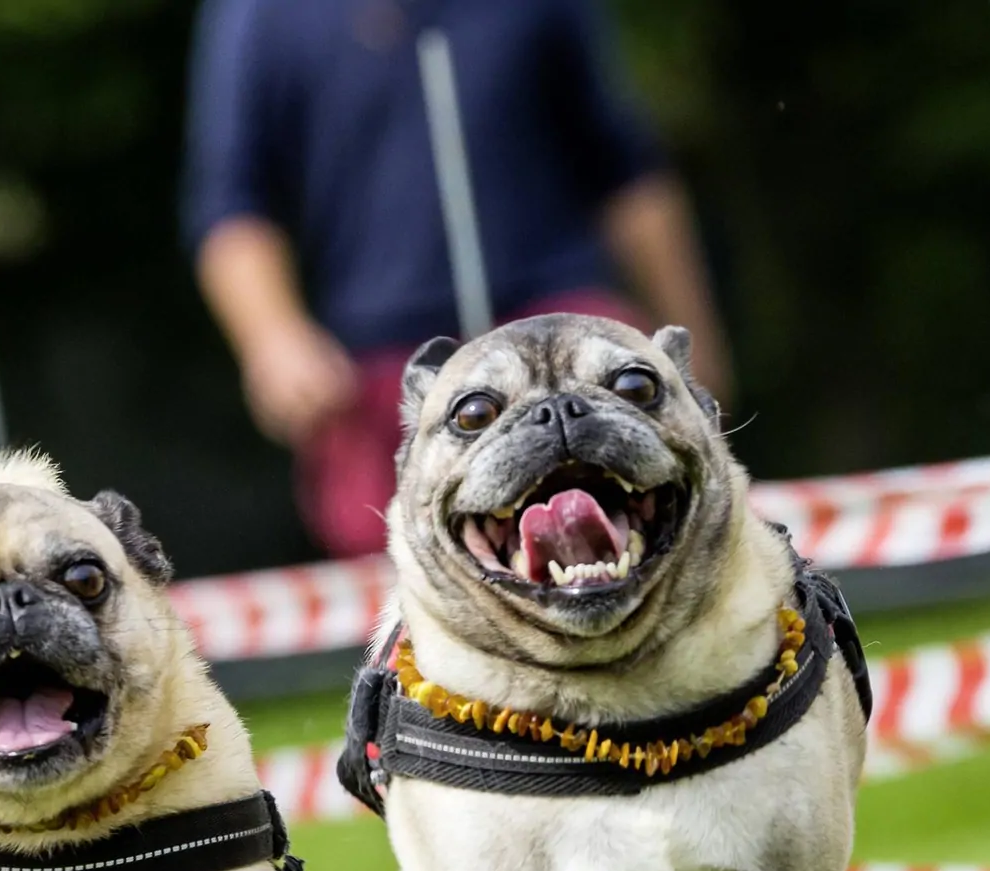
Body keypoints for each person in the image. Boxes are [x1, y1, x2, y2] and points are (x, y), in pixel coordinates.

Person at [183, 0, 734, 558]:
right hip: (377, 373)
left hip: (566, 324)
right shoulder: (260, 14)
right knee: (396, 574)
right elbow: (233, 204)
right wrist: (273, 337)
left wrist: (692, 349)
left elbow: (625, 172)